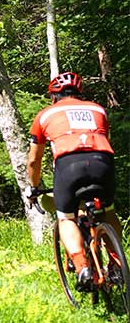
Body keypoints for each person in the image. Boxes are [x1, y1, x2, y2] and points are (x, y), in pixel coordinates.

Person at [26, 71, 121, 291]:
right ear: (80, 93)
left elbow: (33, 160)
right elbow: (105, 139)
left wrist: (33, 187)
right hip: (102, 162)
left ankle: (82, 268)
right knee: (108, 211)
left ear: (53, 97)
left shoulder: (45, 114)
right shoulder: (98, 109)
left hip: (69, 166)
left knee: (66, 218)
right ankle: (117, 263)